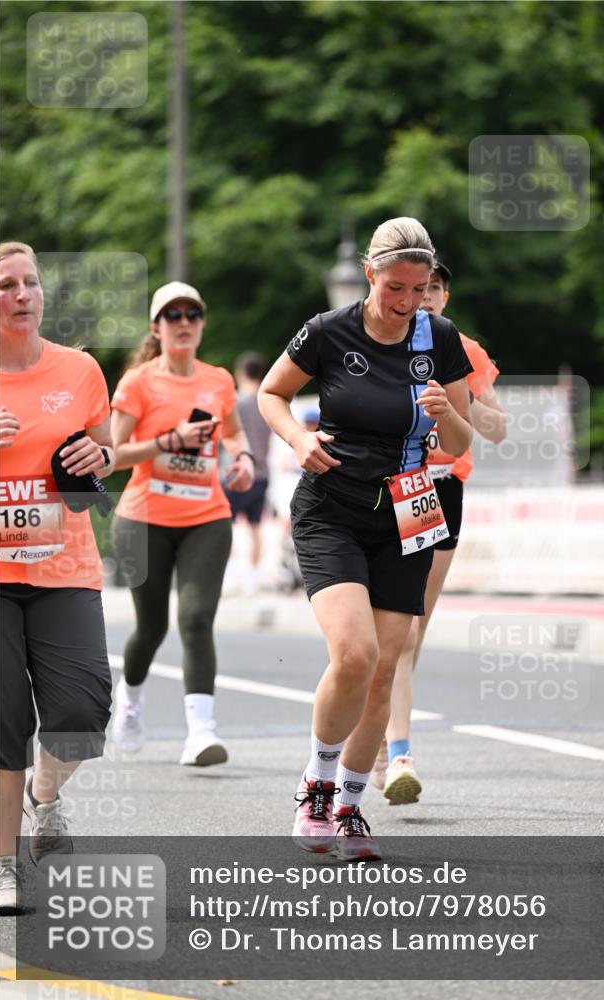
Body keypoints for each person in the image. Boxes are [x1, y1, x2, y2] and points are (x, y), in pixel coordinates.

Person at [258, 218, 473, 860]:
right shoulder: (330, 332)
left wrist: (448, 416)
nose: (407, 302)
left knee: (383, 668)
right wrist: (299, 439)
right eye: (395, 288)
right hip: (333, 505)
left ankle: (350, 804)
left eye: (420, 288)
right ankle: (317, 783)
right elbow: (273, 393)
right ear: (372, 275)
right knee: (353, 653)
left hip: (409, 510)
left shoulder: (441, 338)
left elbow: (461, 444)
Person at [0, 242, 114, 914]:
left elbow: (103, 454)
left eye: (30, 282)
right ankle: (3, 864)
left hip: (64, 566)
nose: (21, 294)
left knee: (81, 711)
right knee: (2, 719)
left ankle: (47, 797)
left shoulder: (80, 369)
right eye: (6, 284)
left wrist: (99, 454)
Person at [373, 260, 506, 804]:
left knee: (412, 632)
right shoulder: (379, 336)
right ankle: (396, 749)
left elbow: (495, 430)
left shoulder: (463, 349)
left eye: (432, 289)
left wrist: (462, 406)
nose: (422, 297)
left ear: (445, 296)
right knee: (396, 634)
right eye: (413, 288)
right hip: (390, 485)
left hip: (438, 489)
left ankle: (386, 734)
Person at [110, 281, 254, 767]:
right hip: (143, 519)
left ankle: (201, 733)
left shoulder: (217, 381)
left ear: (202, 323)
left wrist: (245, 458)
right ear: (157, 327)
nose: (185, 322)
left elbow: (233, 432)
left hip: (206, 517)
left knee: (195, 619)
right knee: (151, 627)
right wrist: (168, 441)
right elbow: (112, 456)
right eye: (174, 315)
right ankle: (129, 701)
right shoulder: (138, 382)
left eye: (193, 314)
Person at [223, 351, 271, 595]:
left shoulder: (237, 404)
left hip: (237, 471)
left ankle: (231, 575)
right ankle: (252, 579)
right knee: (255, 526)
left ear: (241, 374)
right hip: (262, 472)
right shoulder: (267, 404)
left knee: (227, 524)